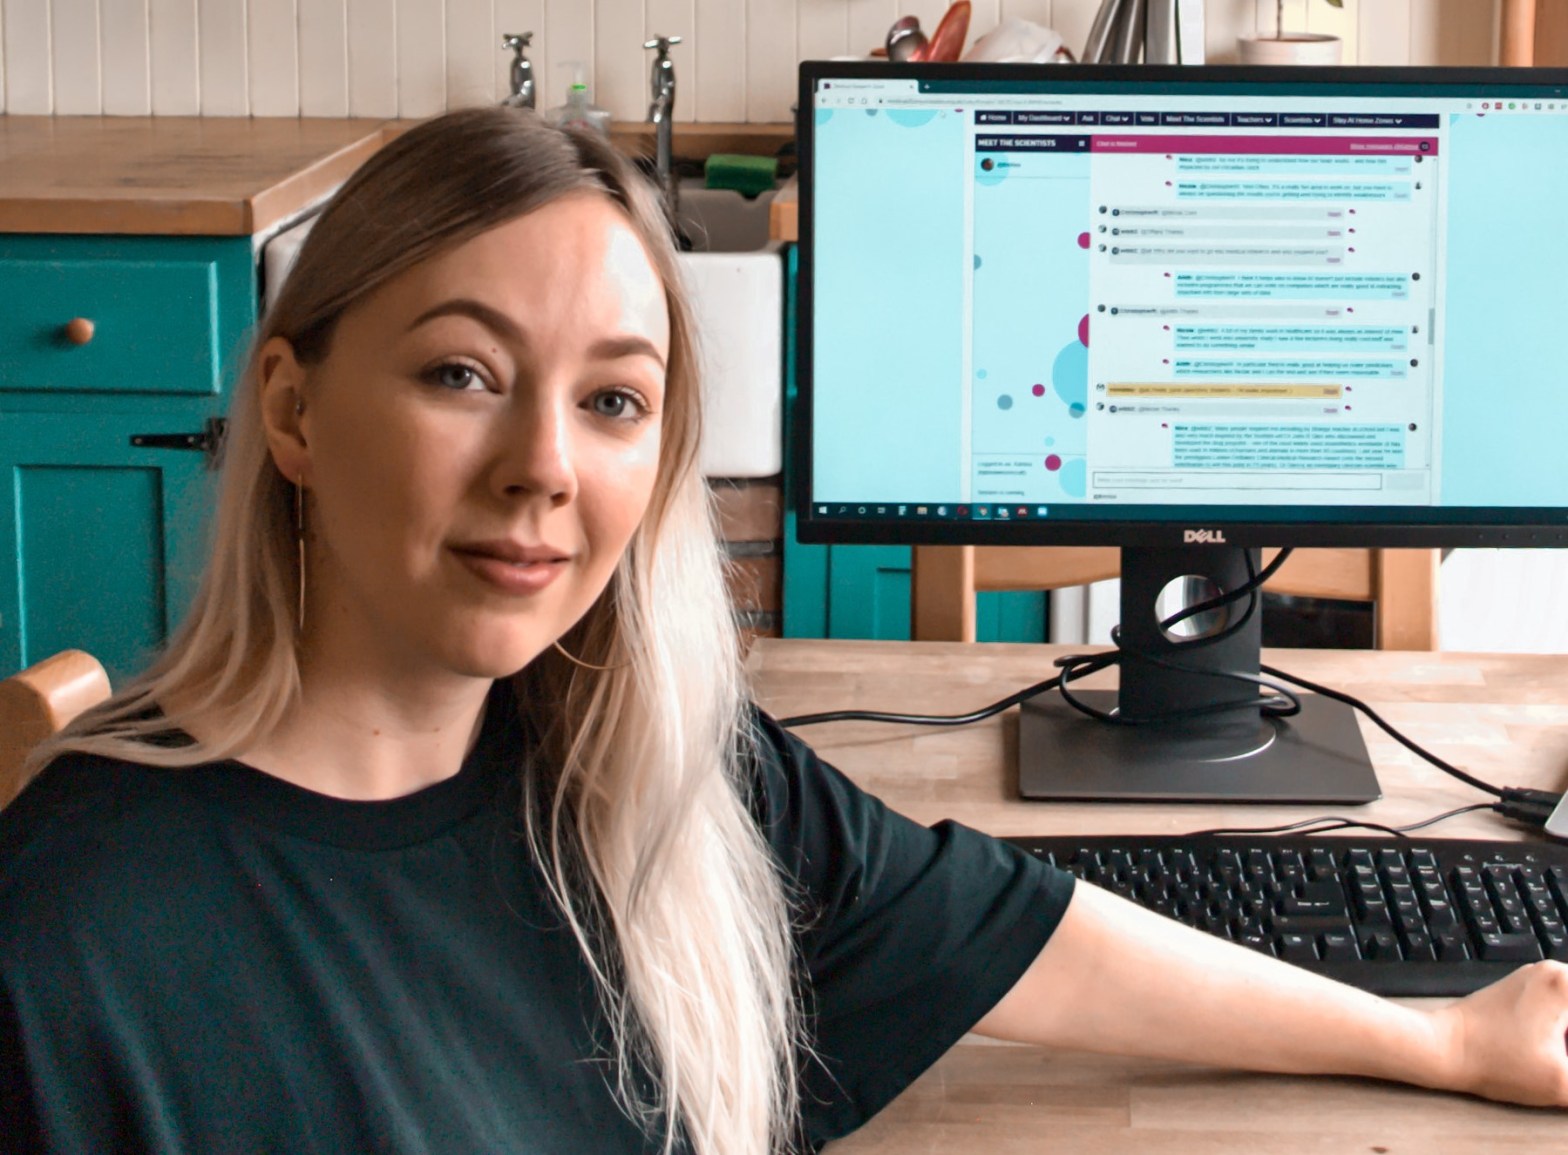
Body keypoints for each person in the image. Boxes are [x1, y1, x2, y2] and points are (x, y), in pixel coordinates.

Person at [1, 107, 1565, 1155]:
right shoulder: (80, 943)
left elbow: (1023, 938)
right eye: (462, 373)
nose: (546, 465)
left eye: (614, 401)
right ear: (289, 404)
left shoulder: (645, 778)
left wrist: (1441, 1048)